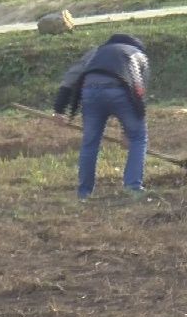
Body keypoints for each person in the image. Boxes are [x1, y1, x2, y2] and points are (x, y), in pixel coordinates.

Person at [52, 33, 150, 200]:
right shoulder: (138, 55)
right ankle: (133, 188)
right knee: (138, 138)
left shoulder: (95, 52)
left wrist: (59, 109)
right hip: (121, 92)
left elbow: (70, 78)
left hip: (90, 93)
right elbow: (138, 91)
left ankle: (84, 193)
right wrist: (129, 132)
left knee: (90, 142)